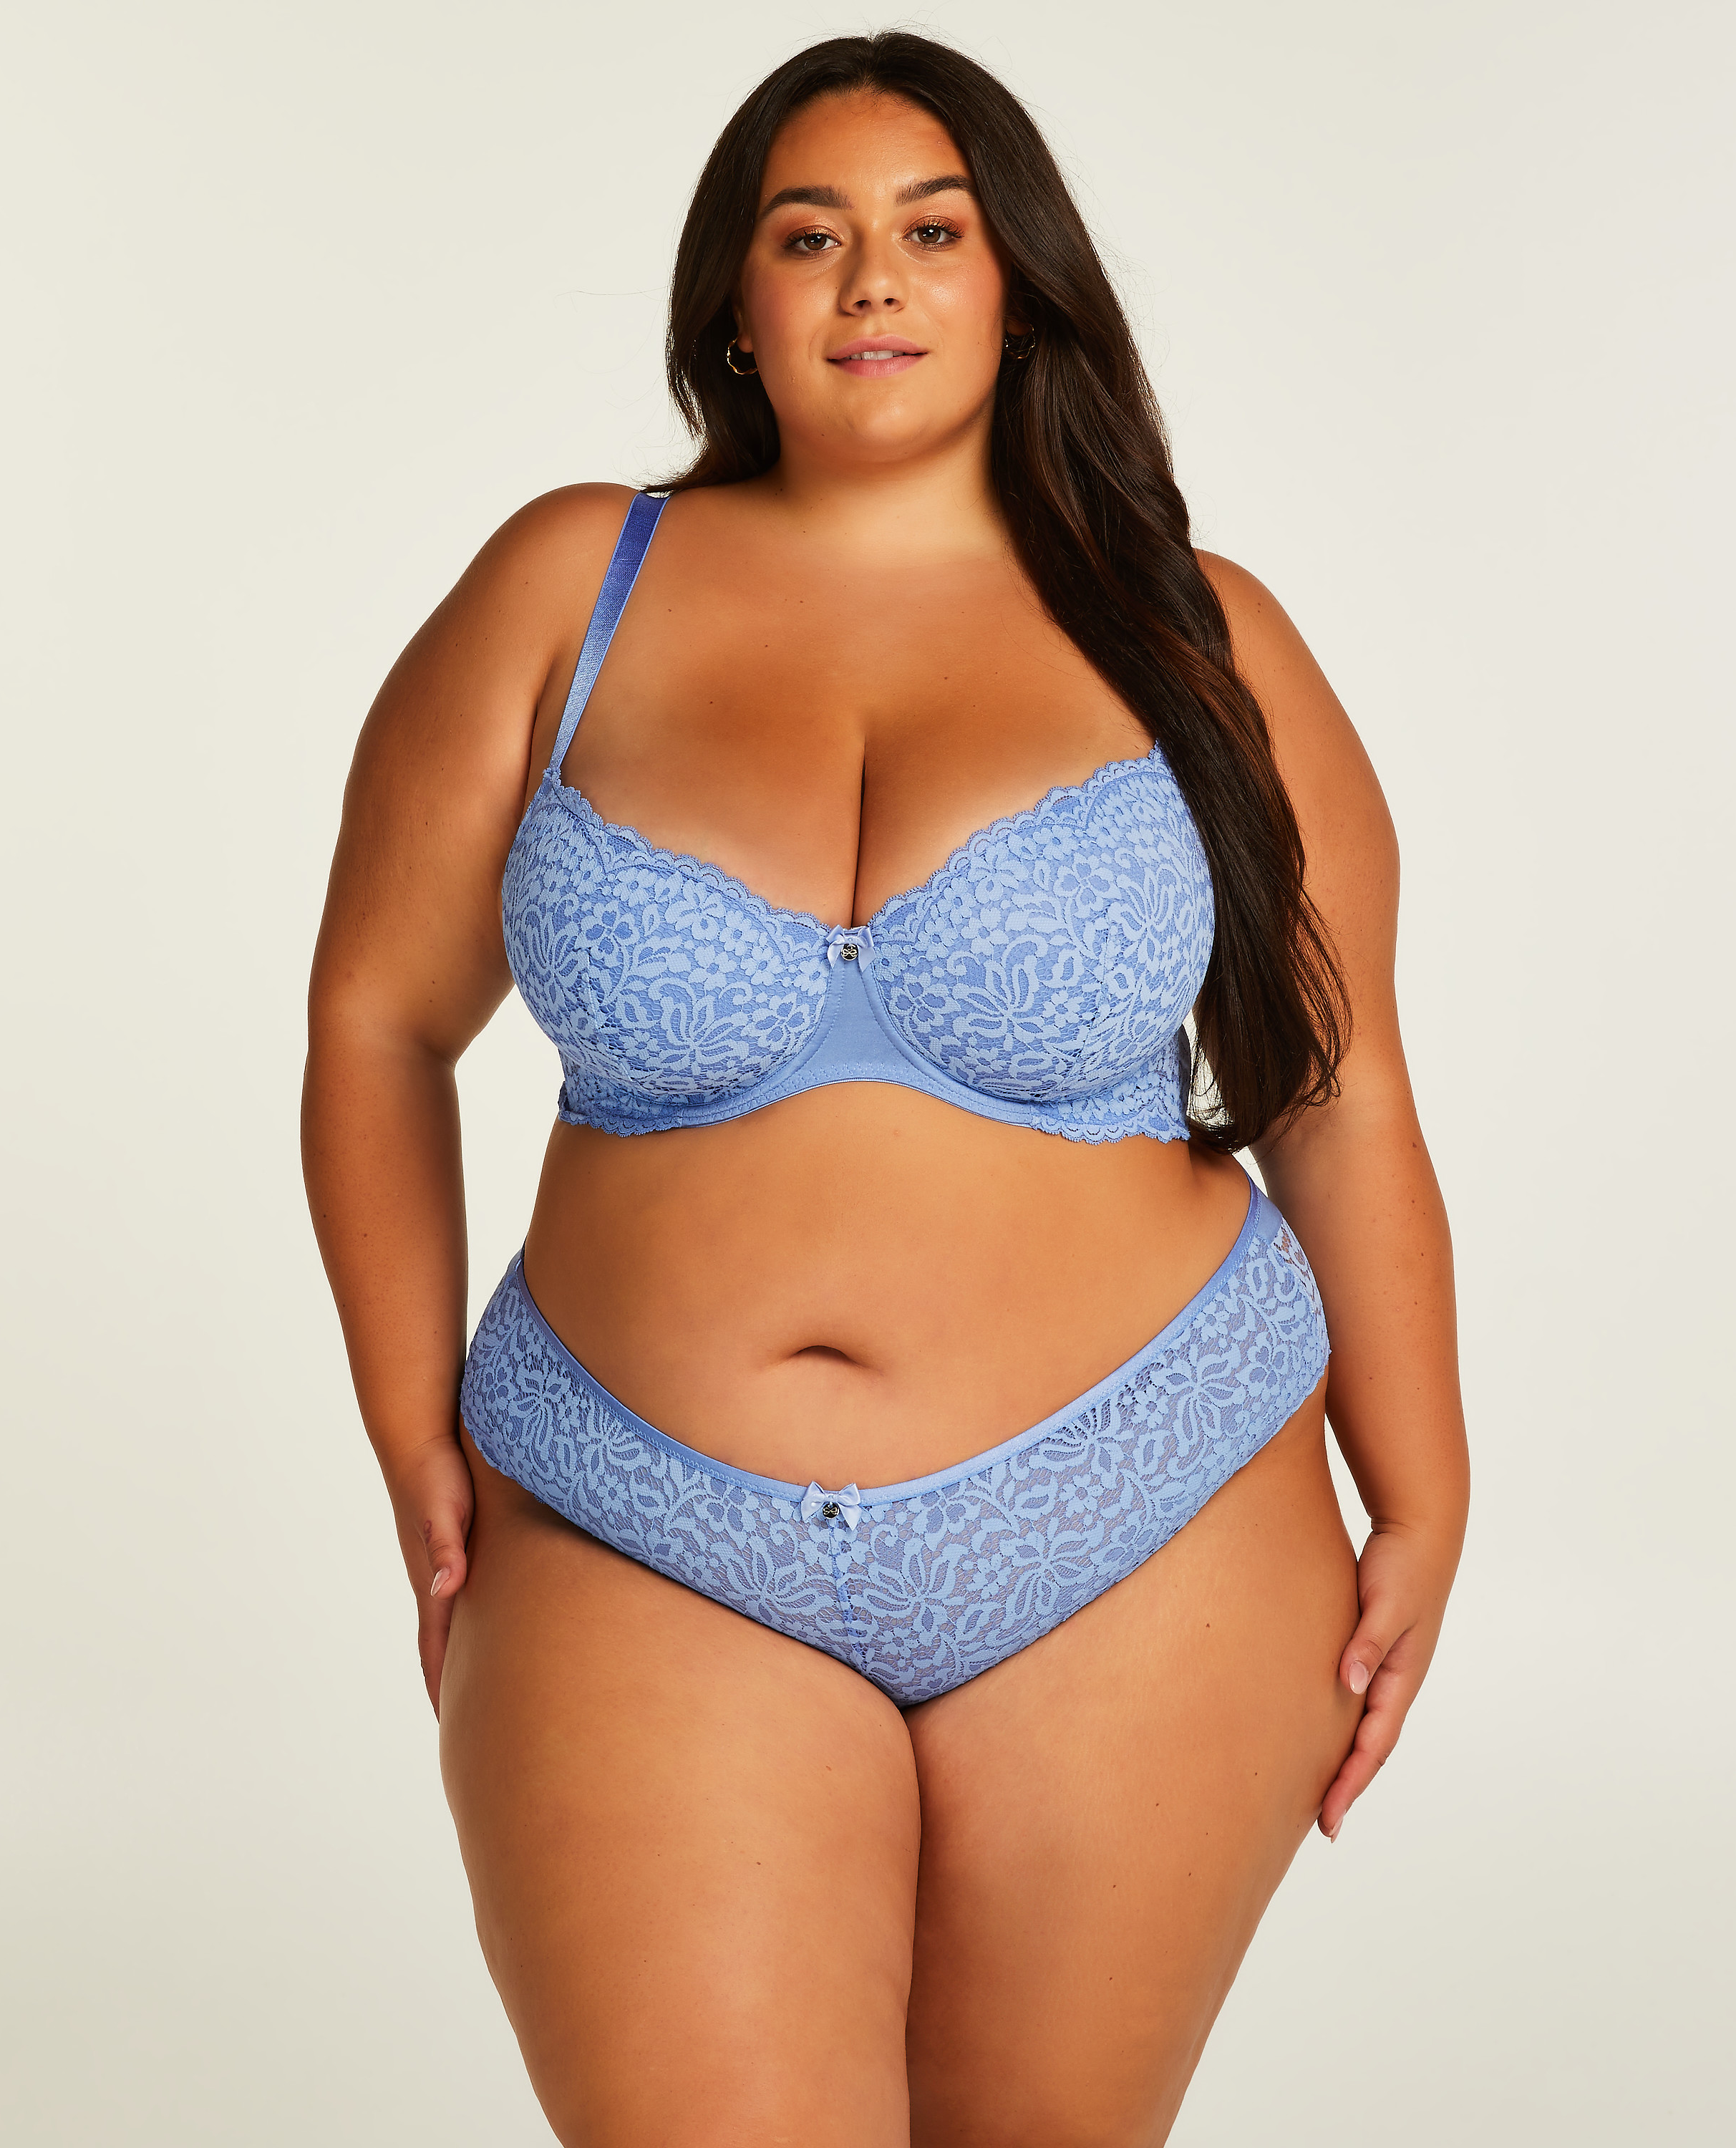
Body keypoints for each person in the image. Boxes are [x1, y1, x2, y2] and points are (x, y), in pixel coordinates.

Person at [302, 31, 1468, 2147]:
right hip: (636, 1514)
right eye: (808, 235)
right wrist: (410, 1436)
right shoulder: (568, 584)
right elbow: (377, 1023)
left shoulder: (1200, 637)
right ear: (732, 304)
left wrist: (1428, 1482)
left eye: (933, 231)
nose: (872, 281)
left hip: (1148, 1507)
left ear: (1019, 282)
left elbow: (1341, 1089)